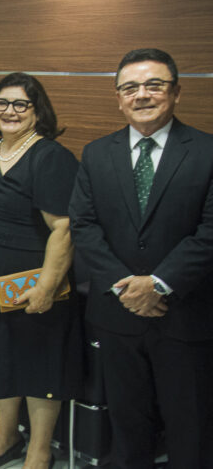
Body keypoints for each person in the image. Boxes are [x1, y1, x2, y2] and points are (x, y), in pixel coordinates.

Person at [69, 48, 213, 468]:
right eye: (130, 87)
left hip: (186, 314)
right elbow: (84, 225)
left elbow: (210, 231)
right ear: (118, 97)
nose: (142, 95)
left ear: (177, 92)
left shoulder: (206, 151)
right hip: (117, 316)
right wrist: (125, 285)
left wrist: (158, 284)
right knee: (128, 424)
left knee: (192, 427)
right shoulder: (97, 154)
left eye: (154, 85)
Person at [0, 73, 80, 469]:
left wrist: (47, 285)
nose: (9, 111)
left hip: (28, 275)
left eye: (20, 104)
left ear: (37, 110)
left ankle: (39, 451)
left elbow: (64, 227)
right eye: (2, 104)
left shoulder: (51, 157)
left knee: (36, 362)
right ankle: (6, 438)